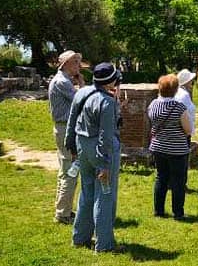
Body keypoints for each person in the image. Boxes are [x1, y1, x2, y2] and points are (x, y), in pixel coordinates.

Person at [65, 62, 122, 252]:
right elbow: (105, 136)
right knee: (105, 196)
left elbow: (72, 121)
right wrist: (105, 164)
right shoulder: (107, 102)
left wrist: (71, 147)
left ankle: (80, 238)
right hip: (101, 152)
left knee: (87, 193)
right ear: (110, 81)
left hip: (83, 147)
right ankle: (104, 244)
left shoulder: (82, 92)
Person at [147, 74, 192, 220]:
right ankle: (178, 212)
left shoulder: (153, 104)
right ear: (175, 89)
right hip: (177, 149)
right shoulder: (178, 107)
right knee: (178, 181)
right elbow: (188, 130)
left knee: (161, 177)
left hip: (158, 147)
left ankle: (158, 210)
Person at [49, 50, 85, 224]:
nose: (79, 66)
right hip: (65, 130)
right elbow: (83, 101)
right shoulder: (62, 81)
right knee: (70, 170)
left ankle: (63, 209)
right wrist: (82, 83)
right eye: (76, 62)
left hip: (63, 129)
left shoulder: (63, 81)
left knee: (65, 170)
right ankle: (63, 214)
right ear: (67, 64)